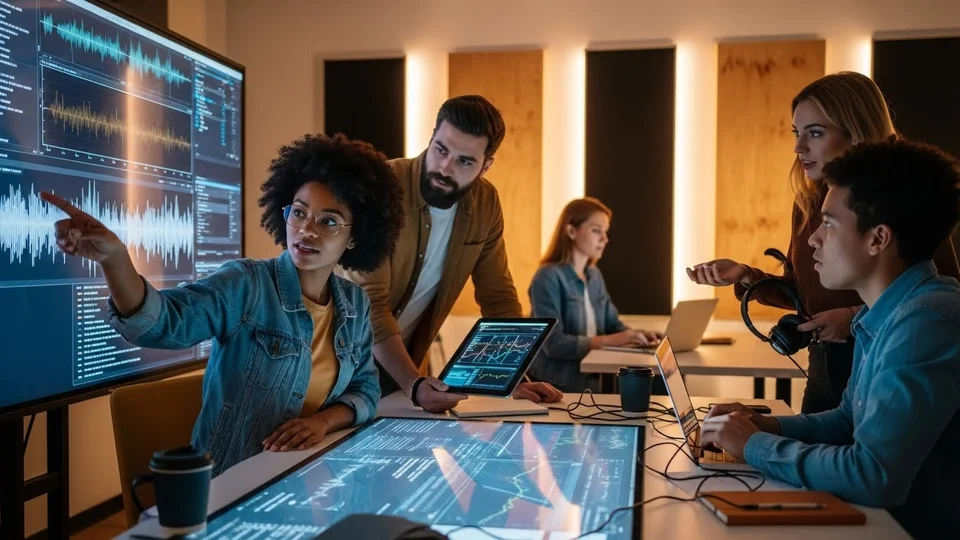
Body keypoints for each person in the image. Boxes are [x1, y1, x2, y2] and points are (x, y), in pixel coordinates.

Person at [43, 133, 406, 476]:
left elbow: (365, 389)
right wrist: (115, 259)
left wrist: (321, 422)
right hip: (236, 480)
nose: (307, 230)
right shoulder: (245, 284)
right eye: (299, 212)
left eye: (328, 221)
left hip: (309, 472)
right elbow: (163, 323)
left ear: (356, 236)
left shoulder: (354, 304)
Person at [700, 138, 960, 540]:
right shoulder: (887, 312)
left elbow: (873, 476)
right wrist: (763, 424)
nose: (813, 240)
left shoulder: (924, 324)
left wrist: (753, 446)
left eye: (829, 224)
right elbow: (848, 419)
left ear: (878, 239)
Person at [686, 72, 959, 413]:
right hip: (823, 371)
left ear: (857, 132)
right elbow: (804, 293)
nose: (799, 147)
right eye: (796, 133)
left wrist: (854, 317)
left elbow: (939, 300)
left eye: (814, 133)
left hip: (887, 359)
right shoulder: (809, 203)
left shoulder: (904, 201)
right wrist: (745, 275)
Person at [337, 95, 563, 412]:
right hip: (336, 368)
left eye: (464, 161)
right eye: (441, 150)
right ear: (431, 137)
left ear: (486, 166)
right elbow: (368, 303)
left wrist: (513, 381)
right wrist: (414, 384)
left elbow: (498, 298)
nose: (445, 167)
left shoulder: (486, 204)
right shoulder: (382, 187)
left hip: (402, 373)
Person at [527, 197, 662, 392]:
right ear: (571, 231)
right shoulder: (547, 277)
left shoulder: (594, 275)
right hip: (560, 381)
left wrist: (638, 335)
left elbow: (612, 325)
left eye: (605, 232)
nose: (604, 239)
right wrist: (610, 340)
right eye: (596, 230)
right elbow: (552, 343)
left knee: (656, 383)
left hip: (596, 377)